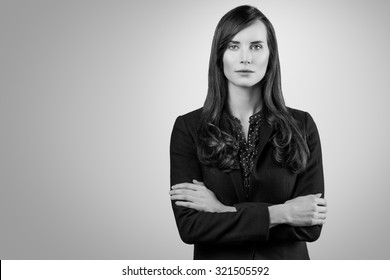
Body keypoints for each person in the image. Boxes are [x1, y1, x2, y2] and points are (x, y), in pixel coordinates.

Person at [169, 5, 327, 260]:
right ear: (219, 55)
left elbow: (310, 225)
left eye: (256, 46)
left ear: (270, 55)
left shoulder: (302, 125)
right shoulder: (188, 128)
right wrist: (282, 214)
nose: (246, 57)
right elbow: (191, 227)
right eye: (233, 46)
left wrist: (220, 211)